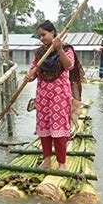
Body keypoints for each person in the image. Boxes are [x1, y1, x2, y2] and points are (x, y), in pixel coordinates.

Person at [25, 20, 84, 171]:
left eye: (44, 34)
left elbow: (69, 65)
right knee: (44, 127)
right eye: (39, 36)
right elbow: (33, 73)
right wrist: (29, 76)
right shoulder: (39, 53)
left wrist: (59, 49)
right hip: (43, 94)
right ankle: (47, 160)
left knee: (58, 129)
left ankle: (62, 164)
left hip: (60, 94)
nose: (42, 38)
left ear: (53, 33)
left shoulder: (66, 49)